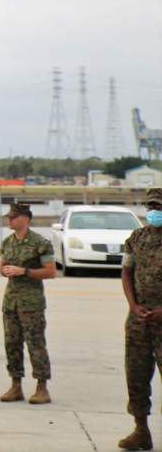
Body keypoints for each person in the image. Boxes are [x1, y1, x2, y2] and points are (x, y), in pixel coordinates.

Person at [0, 202, 56, 404]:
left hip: (31, 303)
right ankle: (16, 385)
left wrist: (25, 271)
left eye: (14, 217)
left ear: (26, 219)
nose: (10, 220)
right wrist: (5, 270)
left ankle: (42, 387)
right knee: (11, 344)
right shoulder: (7, 243)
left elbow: (50, 271)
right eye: (9, 216)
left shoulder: (40, 242)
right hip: (11, 301)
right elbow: (2, 265)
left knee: (35, 344)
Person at [118, 187, 162, 451]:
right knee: (135, 375)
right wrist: (133, 306)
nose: (154, 213)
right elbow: (126, 273)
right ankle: (141, 429)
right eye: (151, 208)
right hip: (139, 321)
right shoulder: (136, 238)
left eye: (159, 208)